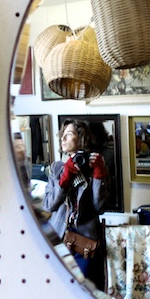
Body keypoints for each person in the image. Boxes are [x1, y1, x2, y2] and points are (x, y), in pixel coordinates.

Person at [43, 119, 108, 286]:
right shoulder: (57, 168)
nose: (63, 139)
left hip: (85, 243)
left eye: (69, 134)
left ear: (81, 138)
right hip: (58, 237)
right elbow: (49, 205)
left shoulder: (94, 166)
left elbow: (99, 207)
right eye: (62, 135)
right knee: (58, 286)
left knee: (82, 288)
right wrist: (65, 179)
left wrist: (99, 175)